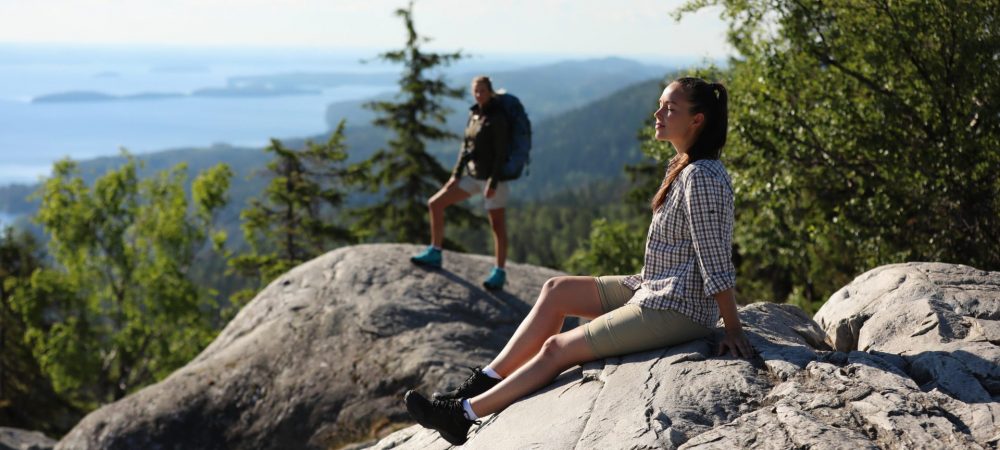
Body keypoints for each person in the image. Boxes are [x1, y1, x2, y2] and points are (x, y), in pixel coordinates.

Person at [403, 77, 755, 446]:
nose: (658, 113)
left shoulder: (702, 177)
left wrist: (731, 328)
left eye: (670, 108)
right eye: (660, 104)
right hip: (655, 286)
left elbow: (715, 259)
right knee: (557, 290)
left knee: (557, 349)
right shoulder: (683, 165)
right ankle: (482, 381)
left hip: (679, 307)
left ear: (697, 120)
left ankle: (463, 415)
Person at [410, 75, 511, 290]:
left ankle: (500, 272)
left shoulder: (498, 117)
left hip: (493, 180)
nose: (478, 94)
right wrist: (455, 176)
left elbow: (501, 154)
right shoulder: (474, 114)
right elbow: (465, 148)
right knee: (435, 203)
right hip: (473, 176)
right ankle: (435, 252)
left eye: (482, 90)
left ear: (490, 92)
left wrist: (492, 184)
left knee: (497, 226)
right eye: (475, 91)